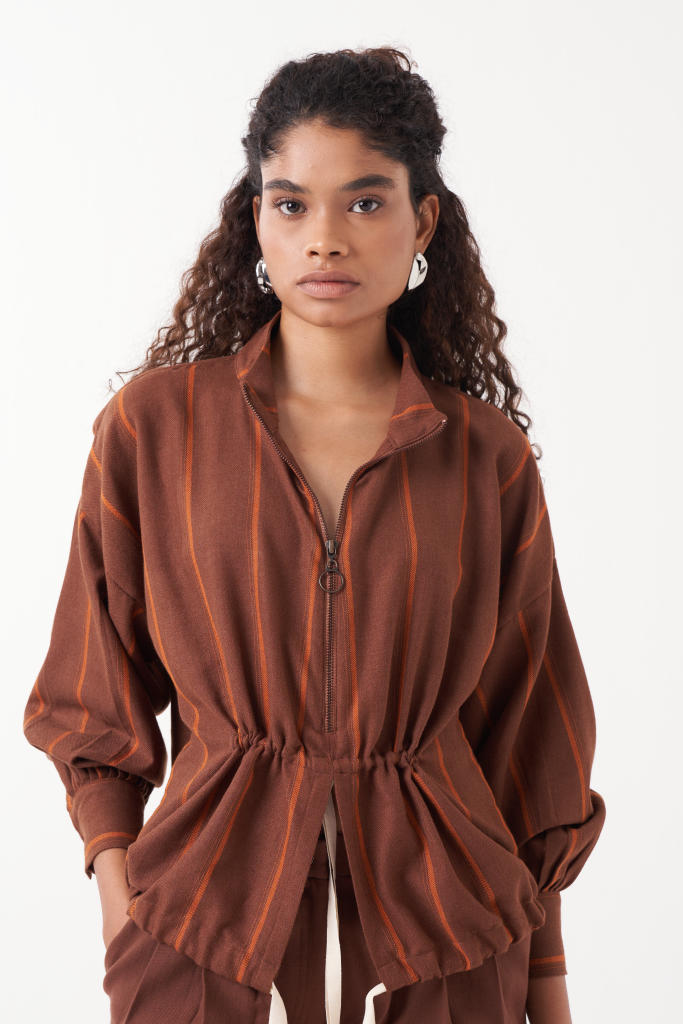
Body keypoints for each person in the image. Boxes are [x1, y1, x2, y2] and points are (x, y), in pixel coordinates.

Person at [22, 46, 606, 1024]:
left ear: (422, 221)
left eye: (365, 202)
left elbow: (530, 741)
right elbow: (93, 693)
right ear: (255, 219)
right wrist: (122, 903)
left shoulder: (483, 457)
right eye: (290, 204)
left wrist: (545, 989)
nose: (324, 238)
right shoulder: (156, 430)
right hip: (199, 939)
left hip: (454, 951)